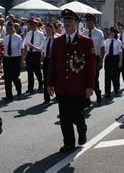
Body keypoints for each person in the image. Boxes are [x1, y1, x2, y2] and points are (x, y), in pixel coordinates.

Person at [48, 9, 95, 153]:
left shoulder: (86, 42)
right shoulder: (57, 42)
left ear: (76, 23)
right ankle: (68, 142)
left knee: (77, 114)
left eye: (70, 21)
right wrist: (50, 83)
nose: (67, 23)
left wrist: (90, 86)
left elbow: (91, 66)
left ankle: (82, 128)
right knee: (64, 117)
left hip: (78, 86)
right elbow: (52, 64)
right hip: (62, 86)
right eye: (65, 21)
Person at [81, 13, 104, 103]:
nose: (88, 23)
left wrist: (101, 61)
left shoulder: (99, 33)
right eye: (87, 21)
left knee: (94, 79)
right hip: (85, 59)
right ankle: (87, 99)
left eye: (90, 21)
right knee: (85, 79)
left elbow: (102, 47)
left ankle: (98, 94)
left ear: (93, 22)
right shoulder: (83, 33)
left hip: (95, 58)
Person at [2, 22, 24, 101]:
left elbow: (22, 49)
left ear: (13, 29)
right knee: (7, 78)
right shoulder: (5, 38)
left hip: (15, 58)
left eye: (10, 29)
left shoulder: (18, 37)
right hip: (7, 59)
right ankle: (8, 95)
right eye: (7, 29)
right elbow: (3, 49)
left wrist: (22, 60)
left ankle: (19, 91)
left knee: (15, 77)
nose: (8, 30)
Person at [23, 19, 44, 93]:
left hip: (36, 54)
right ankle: (30, 88)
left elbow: (42, 47)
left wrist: (33, 46)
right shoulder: (28, 34)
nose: (30, 26)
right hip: (29, 54)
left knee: (37, 70)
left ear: (36, 25)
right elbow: (25, 44)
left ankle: (40, 84)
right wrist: (25, 54)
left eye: (32, 24)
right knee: (29, 71)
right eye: (29, 25)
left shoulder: (40, 34)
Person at [104, 27, 123, 98]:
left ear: (113, 33)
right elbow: (105, 51)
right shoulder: (106, 41)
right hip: (108, 58)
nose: (109, 33)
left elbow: (120, 52)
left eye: (110, 32)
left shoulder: (118, 41)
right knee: (107, 76)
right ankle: (107, 92)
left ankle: (116, 89)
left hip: (115, 58)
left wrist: (120, 61)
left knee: (115, 75)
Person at [41, 22, 56, 104]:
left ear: (52, 29)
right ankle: (46, 98)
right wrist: (42, 56)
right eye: (46, 29)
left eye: (48, 29)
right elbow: (43, 50)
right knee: (46, 79)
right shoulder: (45, 39)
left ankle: (57, 94)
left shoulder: (56, 39)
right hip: (46, 60)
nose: (47, 31)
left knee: (56, 78)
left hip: (54, 60)